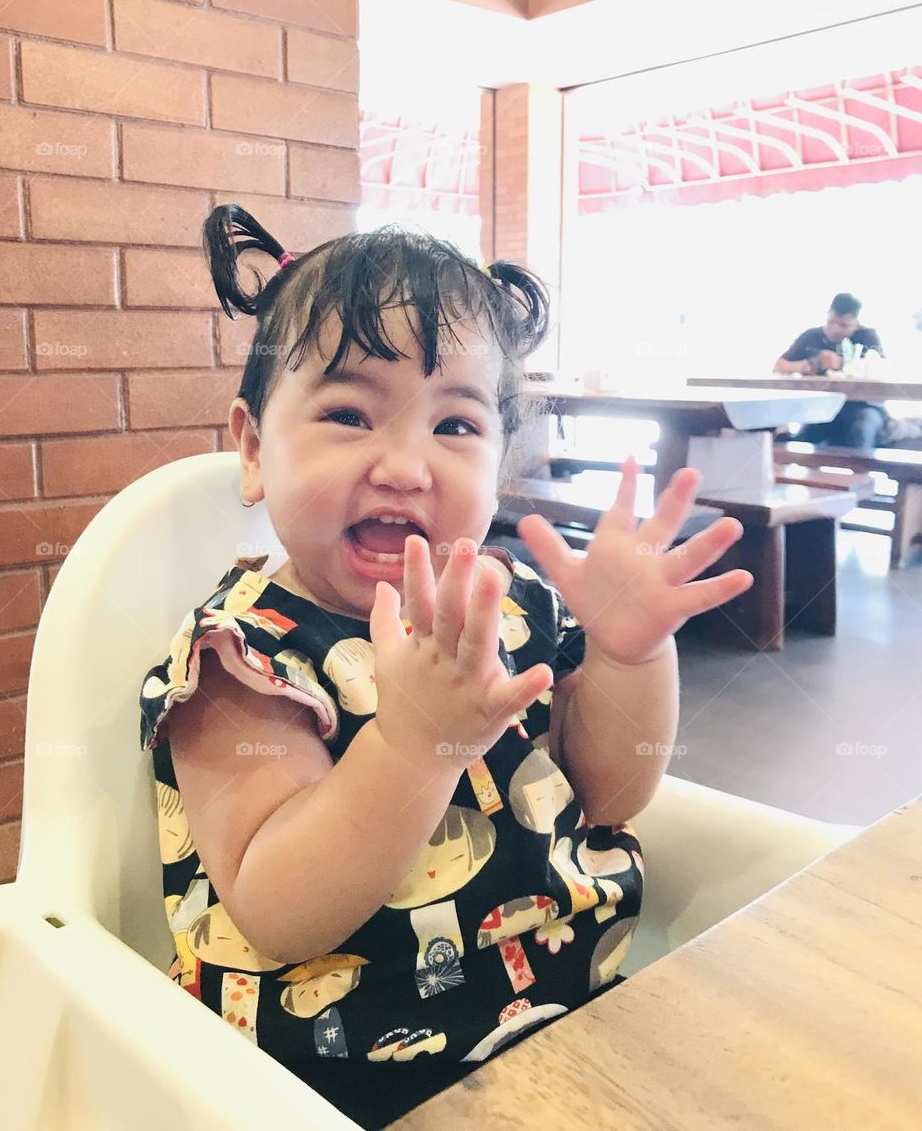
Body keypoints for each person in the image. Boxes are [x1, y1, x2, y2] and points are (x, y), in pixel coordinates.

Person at [139, 205, 752, 1129]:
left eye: (456, 424)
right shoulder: (244, 655)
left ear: (501, 460)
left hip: (575, 1009)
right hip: (344, 1079)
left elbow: (609, 794)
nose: (404, 465)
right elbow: (278, 912)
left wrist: (630, 655)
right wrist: (415, 744)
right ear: (256, 449)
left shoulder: (513, 607)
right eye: (348, 414)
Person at [774, 292, 886, 450]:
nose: (834, 329)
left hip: (864, 406)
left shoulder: (867, 337)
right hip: (823, 407)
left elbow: (880, 372)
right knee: (801, 441)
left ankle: (864, 467)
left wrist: (842, 364)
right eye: (831, 322)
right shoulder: (812, 336)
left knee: (860, 432)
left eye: (843, 325)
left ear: (856, 323)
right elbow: (779, 365)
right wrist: (808, 365)